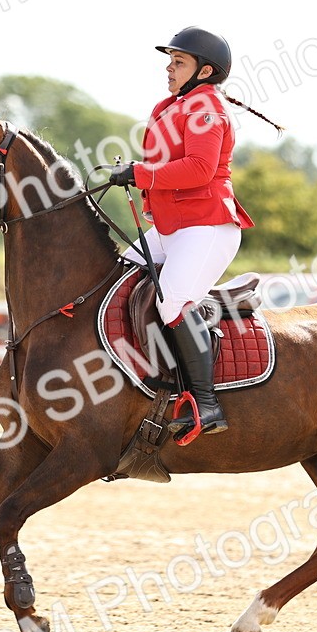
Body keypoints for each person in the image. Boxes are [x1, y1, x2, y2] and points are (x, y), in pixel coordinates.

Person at [107, 27, 283, 445]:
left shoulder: (207, 108)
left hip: (207, 227)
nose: (169, 68)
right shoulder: (170, 106)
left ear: (204, 71)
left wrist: (139, 173)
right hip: (173, 228)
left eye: (178, 62)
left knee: (171, 301)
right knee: (114, 279)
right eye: (169, 61)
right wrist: (139, 177)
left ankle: (206, 404)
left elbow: (200, 169)